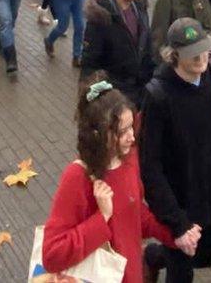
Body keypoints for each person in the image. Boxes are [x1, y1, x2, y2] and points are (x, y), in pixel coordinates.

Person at [42, 73, 177, 283]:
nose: (132, 137)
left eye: (132, 127)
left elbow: (134, 213)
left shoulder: (128, 159)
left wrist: (176, 235)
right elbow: (52, 256)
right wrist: (102, 217)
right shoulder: (78, 177)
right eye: (122, 132)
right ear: (99, 134)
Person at [141, 18, 211, 282]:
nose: (200, 58)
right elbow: (149, 166)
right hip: (180, 204)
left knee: (206, 257)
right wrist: (176, 222)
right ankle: (163, 256)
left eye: (204, 49)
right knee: (181, 272)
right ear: (174, 56)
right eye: (191, 54)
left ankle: (153, 255)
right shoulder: (158, 95)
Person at [80, 0, 154, 110]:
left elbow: (146, 43)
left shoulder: (140, 6)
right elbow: (90, 62)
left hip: (141, 88)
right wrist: (90, 97)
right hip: (117, 93)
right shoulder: (100, 19)